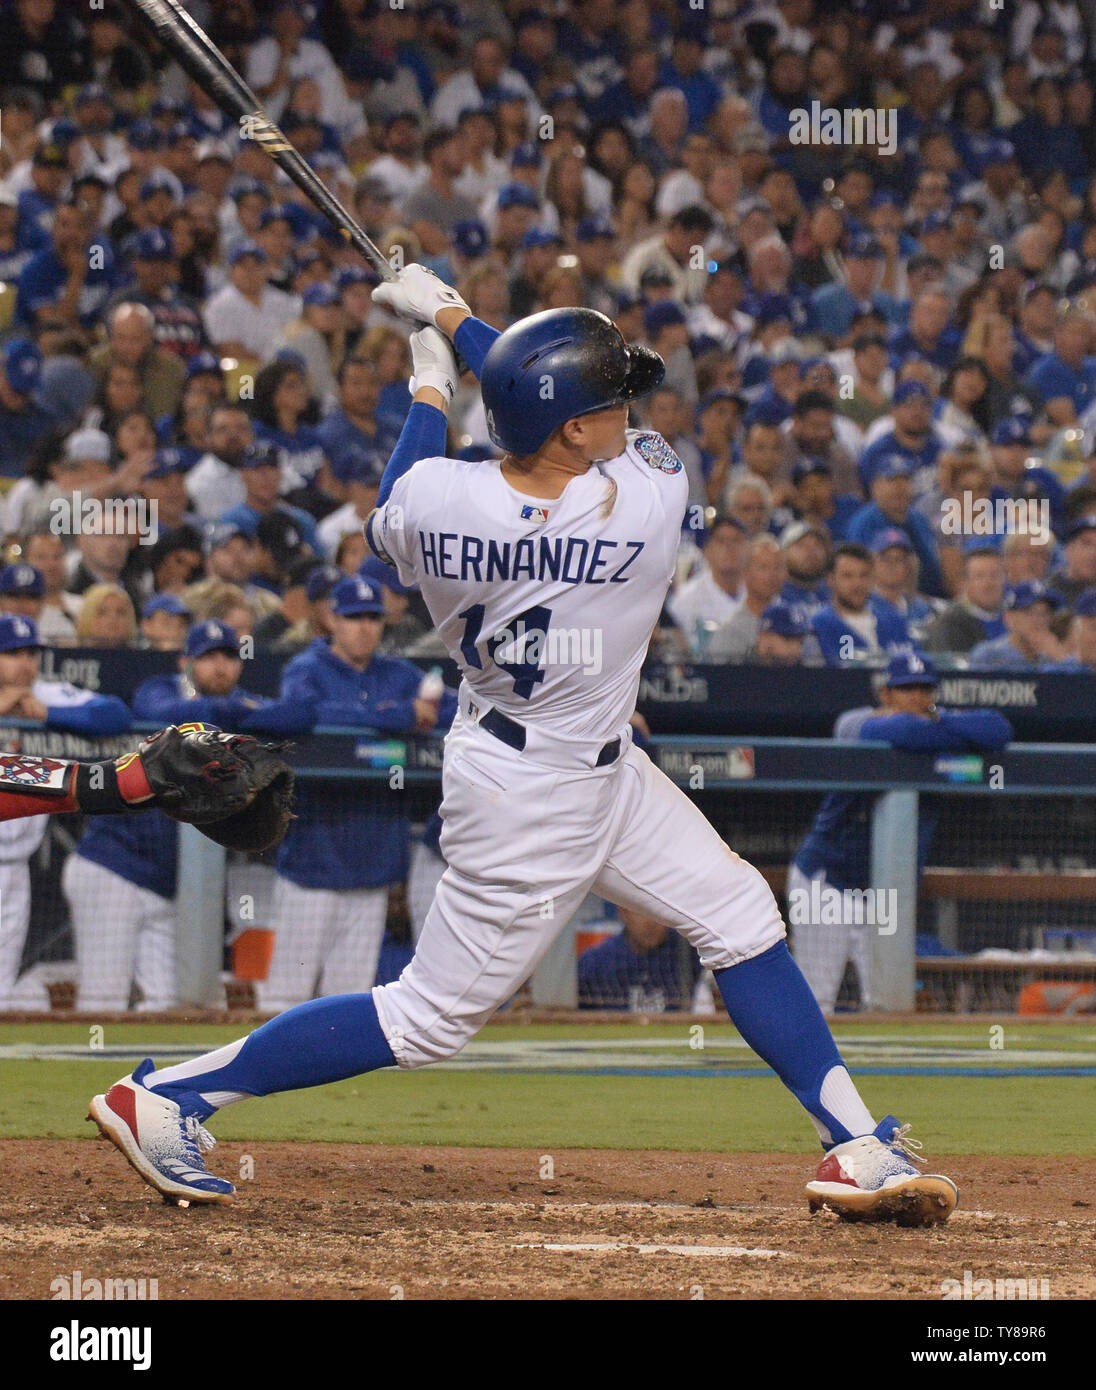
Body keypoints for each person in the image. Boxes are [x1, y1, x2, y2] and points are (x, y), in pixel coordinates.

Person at [89, 267, 963, 1228]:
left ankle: (855, 1143)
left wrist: (428, 380)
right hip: (530, 797)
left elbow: (399, 499)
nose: (630, 410)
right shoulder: (646, 494)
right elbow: (516, 387)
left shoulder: (440, 500)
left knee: (739, 911)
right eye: (610, 401)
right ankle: (170, 1095)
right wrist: (454, 318)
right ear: (573, 432)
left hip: (580, 762)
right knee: (425, 1019)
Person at [258, 576, 455, 1012]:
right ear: (332, 619)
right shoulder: (307, 669)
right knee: (283, 999)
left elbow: (456, 707)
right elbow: (300, 715)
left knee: (346, 1004)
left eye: (373, 618)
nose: (365, 627)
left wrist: (421, 709)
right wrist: (398, 716)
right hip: (313, 864)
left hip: (373, 866)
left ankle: (333, 1082)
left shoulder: (398, 673)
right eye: (354, 618)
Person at [788, 651, 1012, 1014]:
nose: (918, 697)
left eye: (925, 689)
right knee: (817, 1000)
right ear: (886, 693)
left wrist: (936, 724)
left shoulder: (932, 725)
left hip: (883, 892)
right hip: (827, 881)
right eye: (907, 688)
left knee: (888, 1002)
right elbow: (898, 730)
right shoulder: (860, 723)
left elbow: (999, 729)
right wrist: (945, 731)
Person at [0, 611, 131, 1009]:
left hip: (15, 868)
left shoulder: (44, 693)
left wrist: (48, 715)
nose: (25, 662)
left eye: (31, 653)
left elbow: (116, 714)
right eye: (12, 653)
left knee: (2, 986)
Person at [812, 543, 910, 666]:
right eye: (847, 576)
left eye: (864, 575)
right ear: (831, 580)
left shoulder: (894, 620)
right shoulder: (819, 625)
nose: (857, 584)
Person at [967, 581, 1069, 671]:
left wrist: (1060, 658)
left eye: (1045, 613)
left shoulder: (1053, 657)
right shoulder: (990, 655)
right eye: (1029, 612)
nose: (1039, 620)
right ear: (1009, 618)